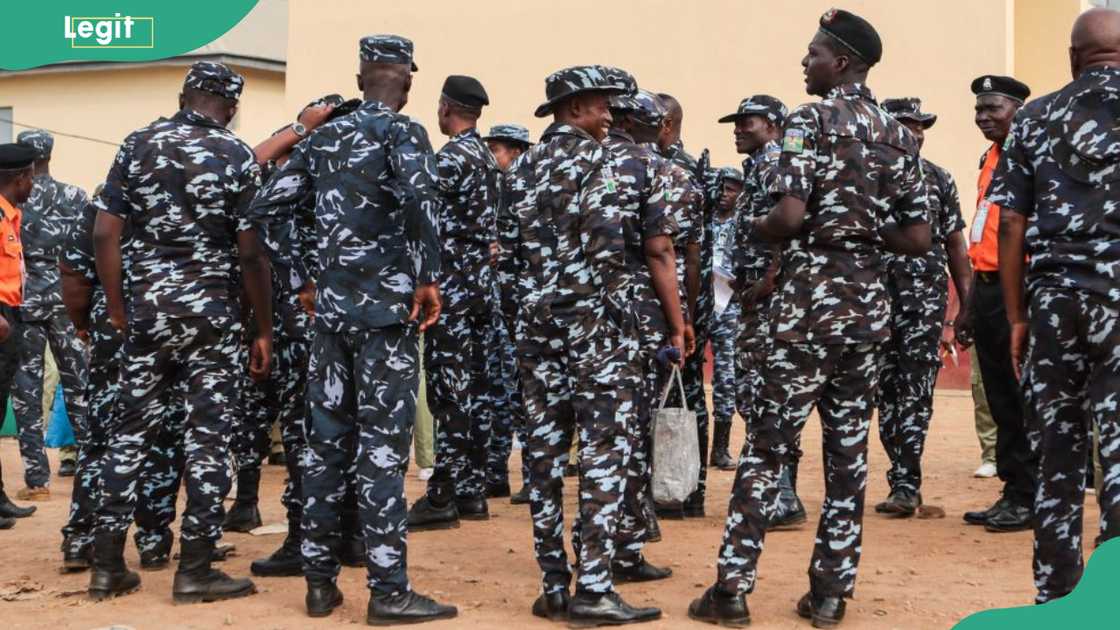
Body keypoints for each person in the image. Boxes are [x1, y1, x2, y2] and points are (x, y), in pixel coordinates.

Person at [689, 10, 931, 627]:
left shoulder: (807, 121)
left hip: (803, 313)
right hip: (866, 317)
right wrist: (865, 230)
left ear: (842, 62)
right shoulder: (899, 135)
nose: (805, 62)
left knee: (768, 447)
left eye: (814, 53)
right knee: (848, 456)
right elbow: (921, 235)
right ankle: (829, 595)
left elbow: (790, 217)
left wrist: (751, 223)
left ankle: (732, 591)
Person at [251, 35, 456, 624]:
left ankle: (320, 584)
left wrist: (310, 274)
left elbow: (267, 207)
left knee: (324, 448)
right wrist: (427, 276)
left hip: (332, 316)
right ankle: (388, 592)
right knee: (382, 453)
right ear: (408, 81)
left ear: (362, 75)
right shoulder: (403, 132)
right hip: (385, 316)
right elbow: (420, 199)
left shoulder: (323, 136)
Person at [88, 60, 273, 604]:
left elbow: (104, 232)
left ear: (183, 94)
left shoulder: (137, 143)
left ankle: (105, 567)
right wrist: (261, 328)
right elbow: (250, 253)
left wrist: (119, 308)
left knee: (128, 435)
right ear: (232, 108)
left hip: (146, 314)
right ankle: (194, 569)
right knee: (209, 439)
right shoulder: (237, 155)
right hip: (213, 319)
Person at [497, 65, 662, 626]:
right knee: (603, 452)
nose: (610, 116)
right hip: (593, 326)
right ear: (572, 109)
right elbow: (607, 248)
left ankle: (553, 587)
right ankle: (593, 586)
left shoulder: (521, 170)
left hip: (536, 326)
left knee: (542, 457)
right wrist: (632, 322)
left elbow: (509, 253)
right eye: (600, 106)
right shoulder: (598, 161)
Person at [987, 6, 1120, 603]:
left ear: (1072, 58)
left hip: (1053, 304)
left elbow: (1011, 222)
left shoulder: (1036, 116)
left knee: (1057, 457)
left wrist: (1017, 315)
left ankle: (1058, 599)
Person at [59, 187, 192, 573]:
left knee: (103, 436)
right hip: (174, 322)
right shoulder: (191, 195)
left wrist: (83, 323)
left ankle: (81, 539)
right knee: (165, 436)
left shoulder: (109, 198)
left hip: (114, 326)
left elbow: (74, 272)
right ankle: (152, 540)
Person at [408, 75, 503, 530]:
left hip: (452, 290)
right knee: (477, 390)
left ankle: (443, 493)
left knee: (451, 393)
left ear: (446, 107)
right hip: (481, 287)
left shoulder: (449, 159)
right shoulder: (486, 156)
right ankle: (471, 492)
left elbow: (420, 211)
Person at [605, 86, 690, 587]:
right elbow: (662, 252)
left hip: (582, 316)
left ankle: (588, 545)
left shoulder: (581, 161)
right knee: (632, 431)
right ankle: (627, 546)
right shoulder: (654, 169)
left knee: (596, 433)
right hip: (637, 315)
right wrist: (678, 323)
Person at [874, 98, 972, 517]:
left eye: (920, 126)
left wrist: (966, 305)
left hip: (923, 303)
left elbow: (955, 244)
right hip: (870, 299)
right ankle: (895, 472)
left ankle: (906, 481)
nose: (915, 133)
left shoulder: (938, 178)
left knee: (914, 389)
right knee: (879, 389)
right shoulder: (866, 177)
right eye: (906, 125)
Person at [720, 94, 806, 530]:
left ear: (773, 126)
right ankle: (779, 491)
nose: (738, 128)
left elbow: (791, 225)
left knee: (764, 394)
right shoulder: (758, 166)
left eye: (747, 121)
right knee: (756, 395)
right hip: (755, 299)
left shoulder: (775, 164)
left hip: (770, 302)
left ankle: (782, 496)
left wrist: (770, 279)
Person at [956, 73, 1036, 533]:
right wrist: (967, 305)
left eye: (993, 108)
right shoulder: (990, 157)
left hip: (1018, 289)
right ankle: (1015, 488)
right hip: (986, 287)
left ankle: (1029, 494)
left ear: (1018, 111)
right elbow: (982, 233)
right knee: (1001, 394)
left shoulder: (1032, 156)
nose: (983, 117)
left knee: (1021, 393)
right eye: (979, 110)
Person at [8, 130, 88, 499]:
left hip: (24, 301)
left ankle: (36, 479)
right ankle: (91, 468)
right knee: (79, 384)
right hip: (67, 300)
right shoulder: (75, 196)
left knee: (27, 388)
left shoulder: (13, 195)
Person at [654, 92, 713, 518]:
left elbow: (689, 253)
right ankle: (669, 486)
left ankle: (691, 489)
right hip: (664, 299)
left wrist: (687, 314)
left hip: (680, 300)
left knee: (688, 395)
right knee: (661, 394)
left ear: (668, 125)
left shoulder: (682, 169)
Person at [481, 123, 531, 503]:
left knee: (524, 391)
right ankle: (496, 472)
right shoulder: (500, 185)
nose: (490, 154)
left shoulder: (524, 184)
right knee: (501, 388)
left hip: (520, 304)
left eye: (495, 148)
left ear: (514, 150)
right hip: (502, 300)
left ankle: (532, 475)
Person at [0, 144, 41, 530]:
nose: (33, 182)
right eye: (30, 176)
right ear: (19, 179)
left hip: (10, 316)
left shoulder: (11, 215)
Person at [706, 166, 743, 471]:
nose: (723, 194)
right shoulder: (701, 220)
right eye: (720, 188)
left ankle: (720, 447)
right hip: (698, 303)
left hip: (729, 306)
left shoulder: (743, 224)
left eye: (730, 189)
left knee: (725, 376)